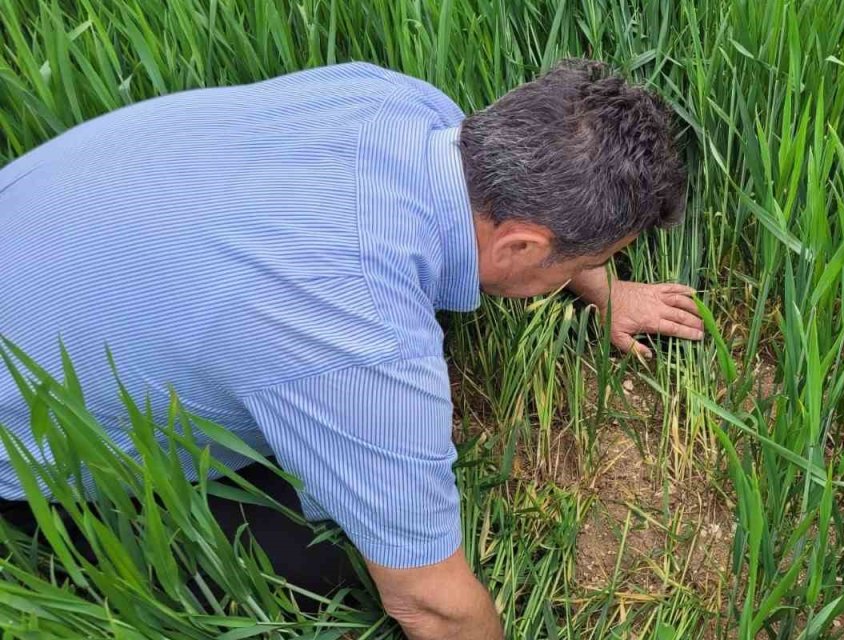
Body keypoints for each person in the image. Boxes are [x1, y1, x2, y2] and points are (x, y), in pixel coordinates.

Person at [0, 59, 702, 639]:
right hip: (20, 438)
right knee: (327, 555)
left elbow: (524, 217)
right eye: (593, 258)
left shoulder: (399, 106)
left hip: (38, 235)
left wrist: (604, 289)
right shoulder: (362, 338)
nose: (593, 269)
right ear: (521, 246)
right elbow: (431, 604)